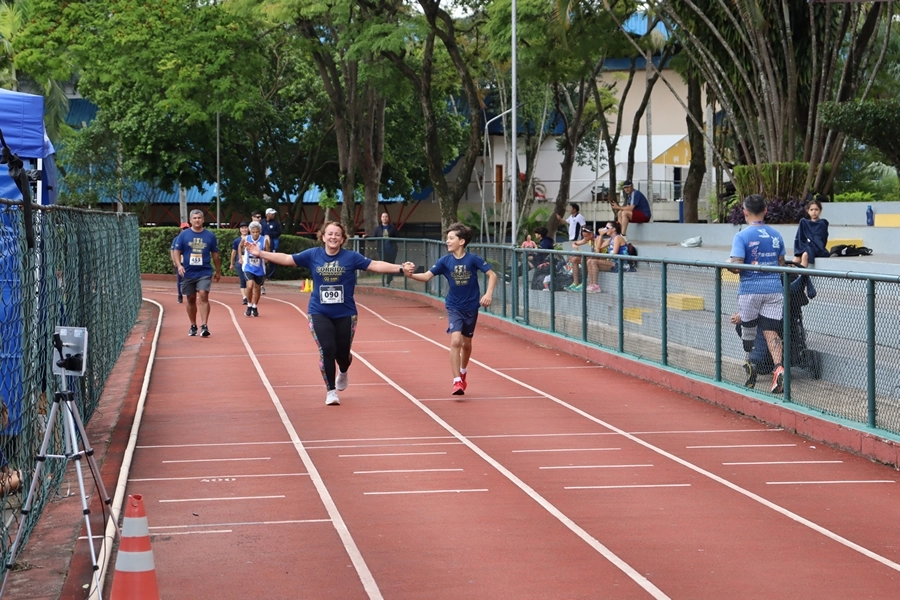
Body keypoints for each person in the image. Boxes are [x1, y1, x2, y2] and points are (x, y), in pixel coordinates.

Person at [245, 220, 410, 406]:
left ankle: (344, 369)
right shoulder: (313, 255)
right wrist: (259, 253)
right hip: (319, 311)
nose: (333, 237)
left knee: (342, 353)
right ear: (323, 236)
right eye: (330, 234)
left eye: (337, 234)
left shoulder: (351, 257)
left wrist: (400, 268)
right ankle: (331, 390)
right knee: (327, 349)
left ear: (342, 239)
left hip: (345, 313)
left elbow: (375, 265)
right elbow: (287, 258)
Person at [404, 223, 497, 396]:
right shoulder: (444, 261)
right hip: (454, 306)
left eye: (451, 238)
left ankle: (463, 371)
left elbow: (492, 275)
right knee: (456, 341)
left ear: (461, 241)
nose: (447, 241)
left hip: (471, 307)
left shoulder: (473, 259)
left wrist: (488, 294)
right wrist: (410, 275)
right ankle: (456, 382)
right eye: (447, 238)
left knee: (467, 344)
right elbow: (426, 277)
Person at [728, 194, 786, 394]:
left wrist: (728, 265)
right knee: (772, 333)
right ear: (765, 211)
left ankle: (750, 364)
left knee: (748, 331)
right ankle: (778, 367)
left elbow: (736, 266)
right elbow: (781, 263)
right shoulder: (776, 235)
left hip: (750, 289)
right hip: (774, 289)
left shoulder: (741, 236)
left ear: (744, 212)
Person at [172, 209, 222, 337]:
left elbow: (215, 255)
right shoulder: (183, 236)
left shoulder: (210, 236)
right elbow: (176, 251)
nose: (197, 220)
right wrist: (179, 265)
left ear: (203, 220)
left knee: (203, 295)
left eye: (199, 218)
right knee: (190, 298)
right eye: (194, 218)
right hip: (188, 272)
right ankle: (193, 325)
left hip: (204, 271)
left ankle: (204, 325)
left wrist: (218, 270)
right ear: (190, 220)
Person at [241, 221, 269, 317]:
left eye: (257, 232)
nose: (255, 234)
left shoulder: (264, 240)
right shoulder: (246, 238)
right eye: (253, 232)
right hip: (248, 267)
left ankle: (254, 306)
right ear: (250, 231)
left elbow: (267, 252)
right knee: (249, 286)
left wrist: (266, 258)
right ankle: (249, 304)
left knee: (257, 288)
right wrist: (240, 258)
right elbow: (240, 246)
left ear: (260, 231)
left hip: (260, 268)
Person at [791, 198, 829, 268]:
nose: (814, 212)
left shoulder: (822, 223)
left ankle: (802, 277)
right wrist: (804, 247)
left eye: (816, 209)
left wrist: (807, 247)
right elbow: (800, 238)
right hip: (806, 246)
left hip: (818, 248)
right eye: (811, 210)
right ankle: (789, 276)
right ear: (808, 211)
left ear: (820, 211)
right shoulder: (804, 222)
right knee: (797, 258)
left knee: (805, 255)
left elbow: (819, 240)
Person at [371, 212, 399, 285]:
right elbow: (373, 238)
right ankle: (385, 280)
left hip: (392, 250)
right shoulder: (378, 229)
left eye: (386, 217)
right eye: (383, 217)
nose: (384, 218)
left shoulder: (392, 228)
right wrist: (366, 237)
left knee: (391, 265)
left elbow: (398, 237)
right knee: (384, 265)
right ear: (381, 218)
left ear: (388, 218)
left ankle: (388, 281)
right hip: (382, 250)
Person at [565, 227, 595, 292]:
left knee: (584, 260)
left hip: (601, 258)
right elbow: (575, 243)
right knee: (574, 259)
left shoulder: (597, 239)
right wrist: (574, 245)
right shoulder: (587, 239)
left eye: (586, 236)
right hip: (593, 257)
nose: (585, 238)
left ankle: (584, 283)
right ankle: (575, 282)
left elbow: (597, 254)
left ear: (591, 234)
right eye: (583, 236)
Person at [230, 222, 250, 306]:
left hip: (250, 263)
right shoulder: (237, 241)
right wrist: (232, 263)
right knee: (242, 280)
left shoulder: (251, 239)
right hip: (240, 262)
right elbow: (233, 253)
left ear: (248, 229)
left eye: (245, 227)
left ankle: (249, 295)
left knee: (249, 280)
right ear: (239, 230)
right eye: (242, 228)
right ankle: (244, 297)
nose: (244, 229)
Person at [171, 222, 190, 303]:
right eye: (183, 229)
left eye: (186, 228)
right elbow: (172, 250)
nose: (185, 230)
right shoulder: (176, 239)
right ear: (181, 229)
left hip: (189, 262)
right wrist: (174, 261)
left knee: (190, 279)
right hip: (180, 261)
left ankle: (190, 294)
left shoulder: (191, 238)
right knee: (180, 279)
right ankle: (180, 295)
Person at [264, 208, 282, 279]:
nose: (273, 215)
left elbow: (279, 232)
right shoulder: (262, 222)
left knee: (273, 259)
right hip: (264, 242)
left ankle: (270, 276)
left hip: (274, 242)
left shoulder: (276, 223)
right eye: (272, 214)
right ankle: (263, 275)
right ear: (267, 214)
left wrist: (270, 234)